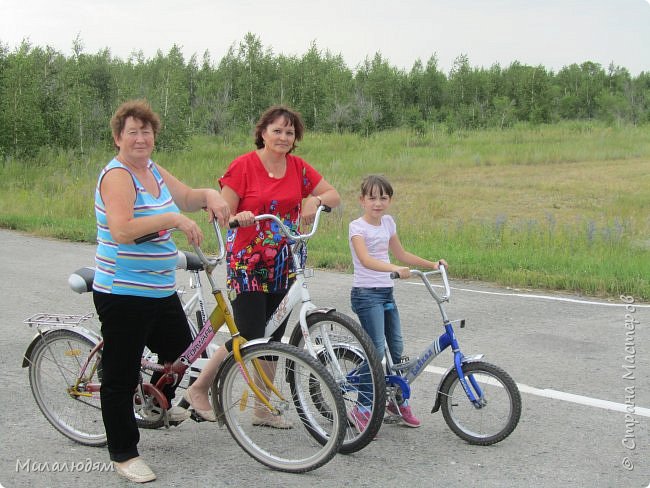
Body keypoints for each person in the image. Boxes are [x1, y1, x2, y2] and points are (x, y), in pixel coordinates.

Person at [92, 99, 230, 483]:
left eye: (146, 131)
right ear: (118, 137)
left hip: (158, 288)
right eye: (132, 132)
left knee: (180, 354)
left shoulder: (151, 169)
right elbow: (122, 230)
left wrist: (210, 195)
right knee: (119, 376)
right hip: (123, 292)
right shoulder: (118, 176)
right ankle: (123, 453)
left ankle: (155, 403)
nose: (140, 138)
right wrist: (173, 219)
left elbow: (187, 197)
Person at [183, 105, 340, 428]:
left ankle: (263, 408)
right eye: (277, 130)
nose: (284, 137)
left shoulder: (298, 168)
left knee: (272, 337)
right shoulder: (243, 166)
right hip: (248, 263)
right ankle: (198, 389)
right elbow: (220, 211)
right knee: (248, 337)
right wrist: (236, 216)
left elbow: (332, 194)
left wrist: (314, 200)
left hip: (285, 261)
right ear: (263, 132)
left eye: (290, 132)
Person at [347, 174, 448, 432]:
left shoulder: (388, 223)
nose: (378, 203)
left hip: (386, 293)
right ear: (362, 200)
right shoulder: (357, 227)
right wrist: (394, 268)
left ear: (389, 200)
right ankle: (362, 407)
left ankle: (396, 401)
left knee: (397, 351)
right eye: (372, 198)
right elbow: (366, 259)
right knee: (376, 352)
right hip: (366, 294)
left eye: (383, 197)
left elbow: (401, 253)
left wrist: (432, 264)